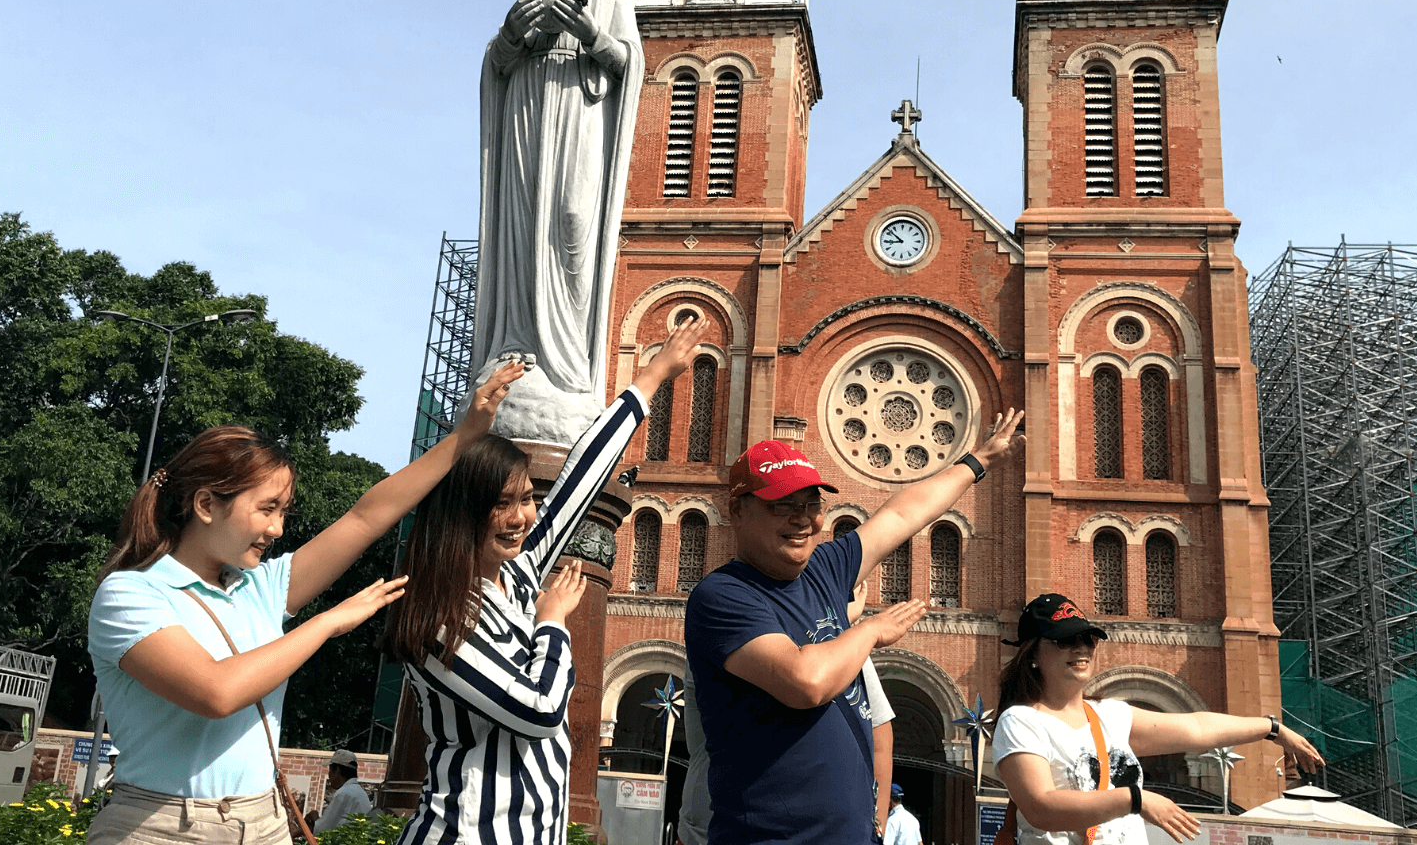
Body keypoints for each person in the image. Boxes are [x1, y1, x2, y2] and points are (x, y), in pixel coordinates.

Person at [84, 361, 523, 844]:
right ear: (206, 505)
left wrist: (464, 435)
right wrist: (326, 623)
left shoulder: (259, 586)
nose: (277, 529)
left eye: (283, 512)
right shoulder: (130, 594)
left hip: (264, 823)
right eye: (266, 509)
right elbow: (216, 692)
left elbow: (364, 517)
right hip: (161, 826)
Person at [387, 317, 708, 845]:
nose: (522, 517)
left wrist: (651, 378)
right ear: (462, 512)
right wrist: (553, 623)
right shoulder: (439, 615)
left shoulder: (516, 574)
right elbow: (537, 710)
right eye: (502, 504)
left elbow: (580, 478)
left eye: (525, 499)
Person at [685, 409, 1026, 845]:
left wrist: (979, 461)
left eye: (811, 505)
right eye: (782, 505)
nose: (803, 519)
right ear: (738, 510)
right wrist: (869, 631)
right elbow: (805, 682)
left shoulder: (823, 568)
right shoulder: (723, 595)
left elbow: (902, 515)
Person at [473, 0, 645, 441]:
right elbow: (497, 65)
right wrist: (510, 35)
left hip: (579, 115)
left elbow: (630, 64)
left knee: (573, 221)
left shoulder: (614, 0)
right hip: (528, 113)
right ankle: (518, 348)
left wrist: (592, 34)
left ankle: (567, 365)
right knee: (524, 230)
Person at [992, 594, 1327, 845]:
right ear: (1033, 654)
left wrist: (1272, 728)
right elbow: (1041, 807)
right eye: (1065, 640)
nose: (1081, 648)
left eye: (1088, 639)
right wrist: (1135, 799)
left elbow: (1197, 728)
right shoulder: (1021, 721)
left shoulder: (1109, 715)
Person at [676, 583, 897, 845]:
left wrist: (876, 829)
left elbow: (879, 731)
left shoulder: (843, 642)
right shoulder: (720, 616)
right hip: (716, 825)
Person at [313, 749, 372, 832]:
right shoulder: (359, 792)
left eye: (330, 770)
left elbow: (322, 829)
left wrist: (314, 819)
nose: (329, 775)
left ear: (337, 770)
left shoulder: (344, 793)